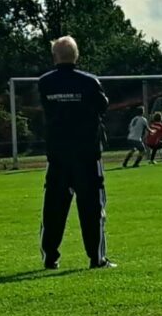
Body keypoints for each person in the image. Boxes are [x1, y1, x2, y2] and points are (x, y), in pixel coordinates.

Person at [38, 36, 114, 270]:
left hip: (58, 154)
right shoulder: (90, 82)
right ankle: (96, 258)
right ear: (76, 55)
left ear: (55, 56)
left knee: (53, 208)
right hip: (87, 154)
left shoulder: (45, 82)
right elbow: (103, 106)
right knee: (92, 208)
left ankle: (50, 257)